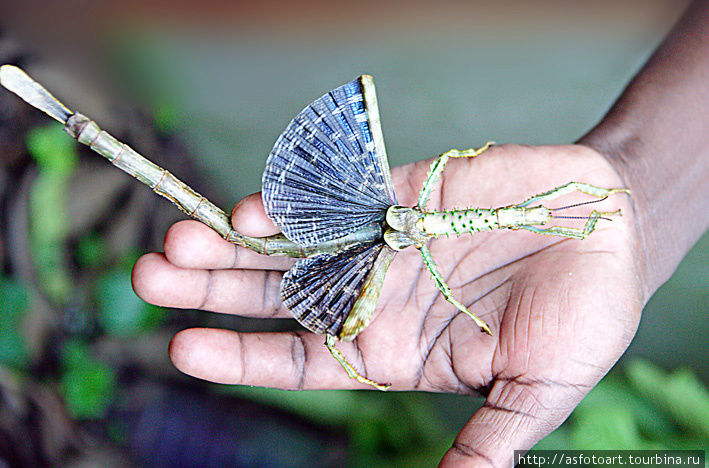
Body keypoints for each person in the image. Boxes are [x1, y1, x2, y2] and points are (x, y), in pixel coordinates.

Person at [130, 1, 709, 465]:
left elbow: (481, 228)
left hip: (370, 226)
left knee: (325, 306)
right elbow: (451, 261)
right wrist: (633, 181)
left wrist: (640, 198)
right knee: (273, 263)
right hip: (365, 221)